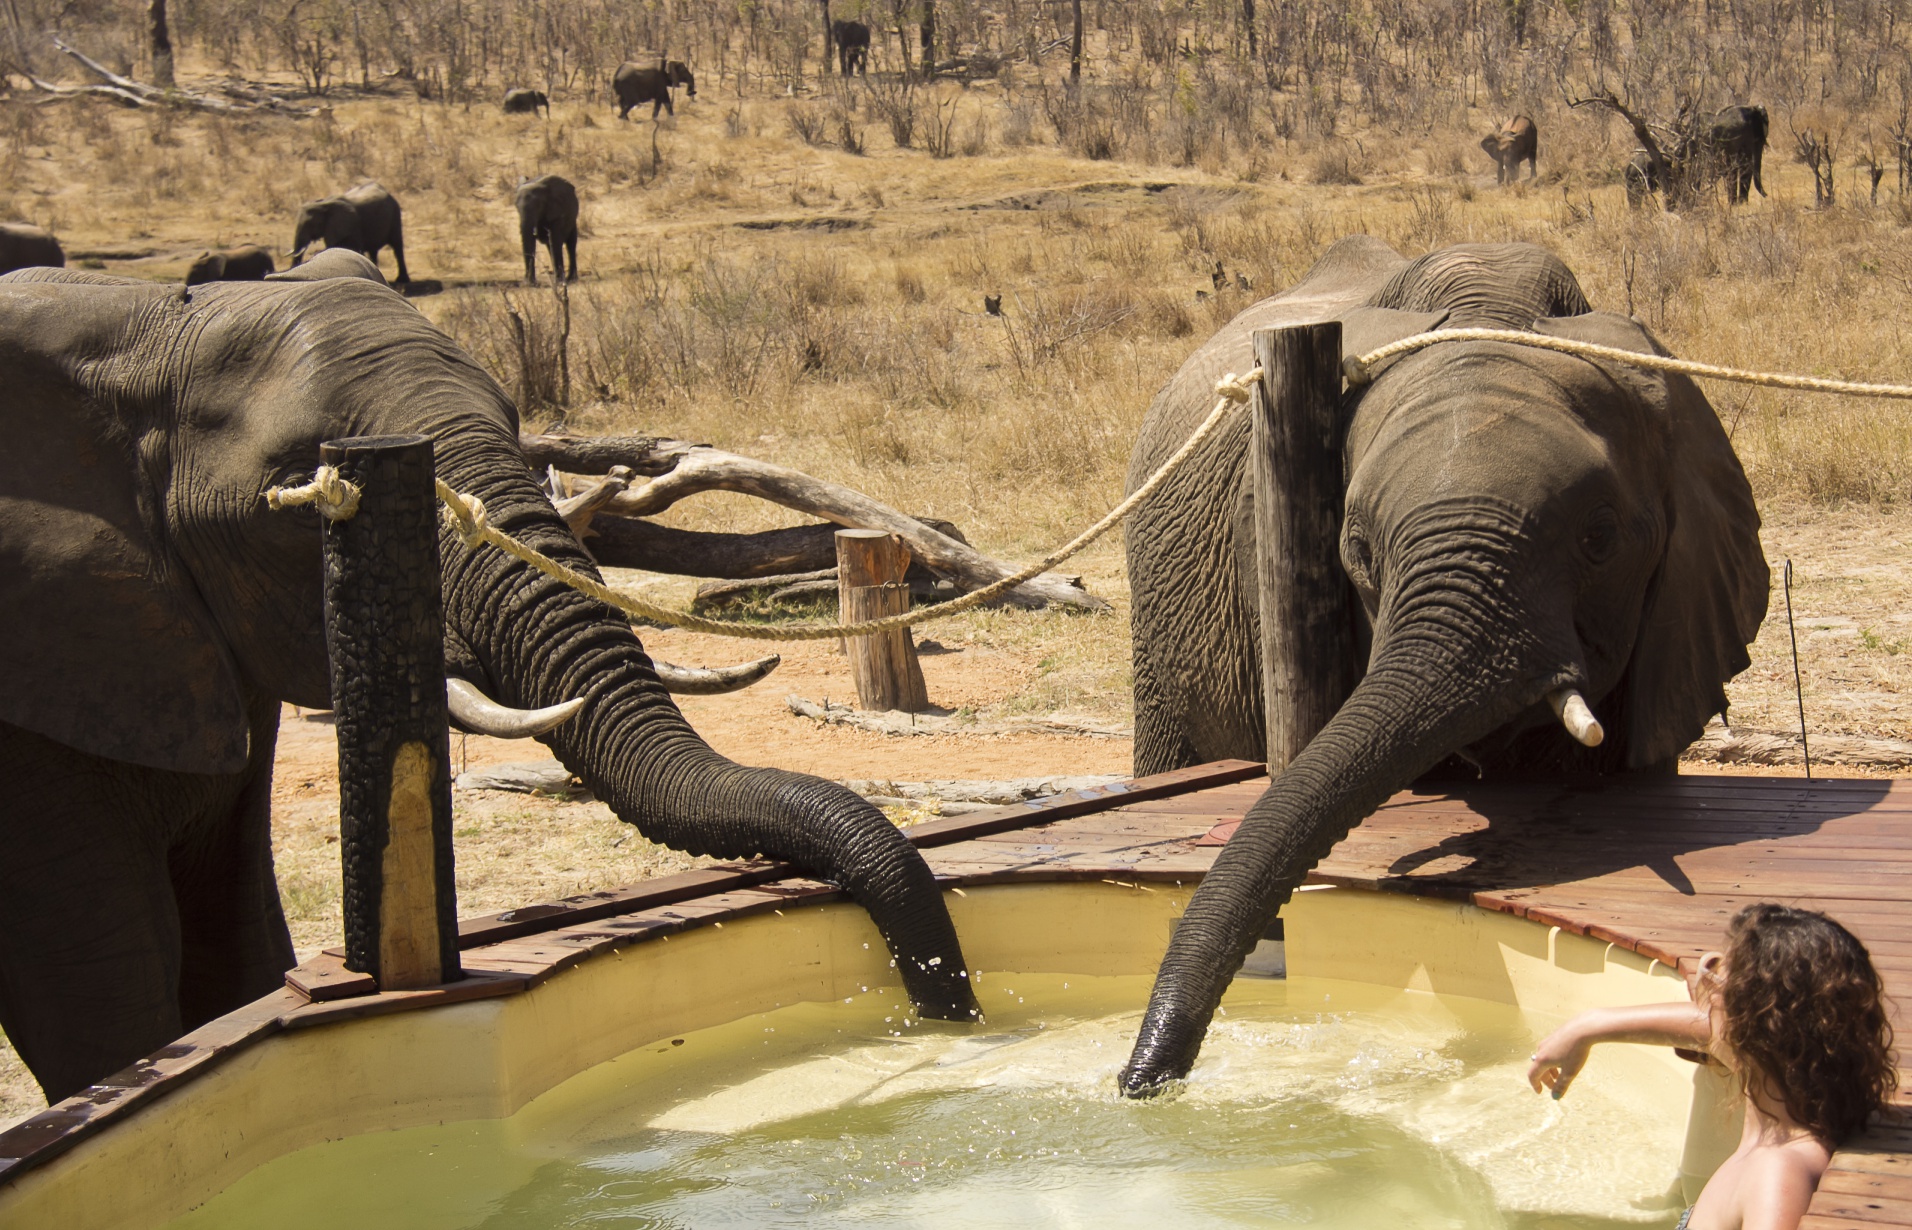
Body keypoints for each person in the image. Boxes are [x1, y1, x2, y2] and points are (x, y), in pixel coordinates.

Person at [1528, 903, 1897, 1230]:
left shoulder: (1777, 1176)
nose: (1707, 967)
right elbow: (1708, 1027)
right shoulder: (1791, 1102)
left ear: (1755, 1026)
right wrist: (1589, 1025)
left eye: (1722, 976)